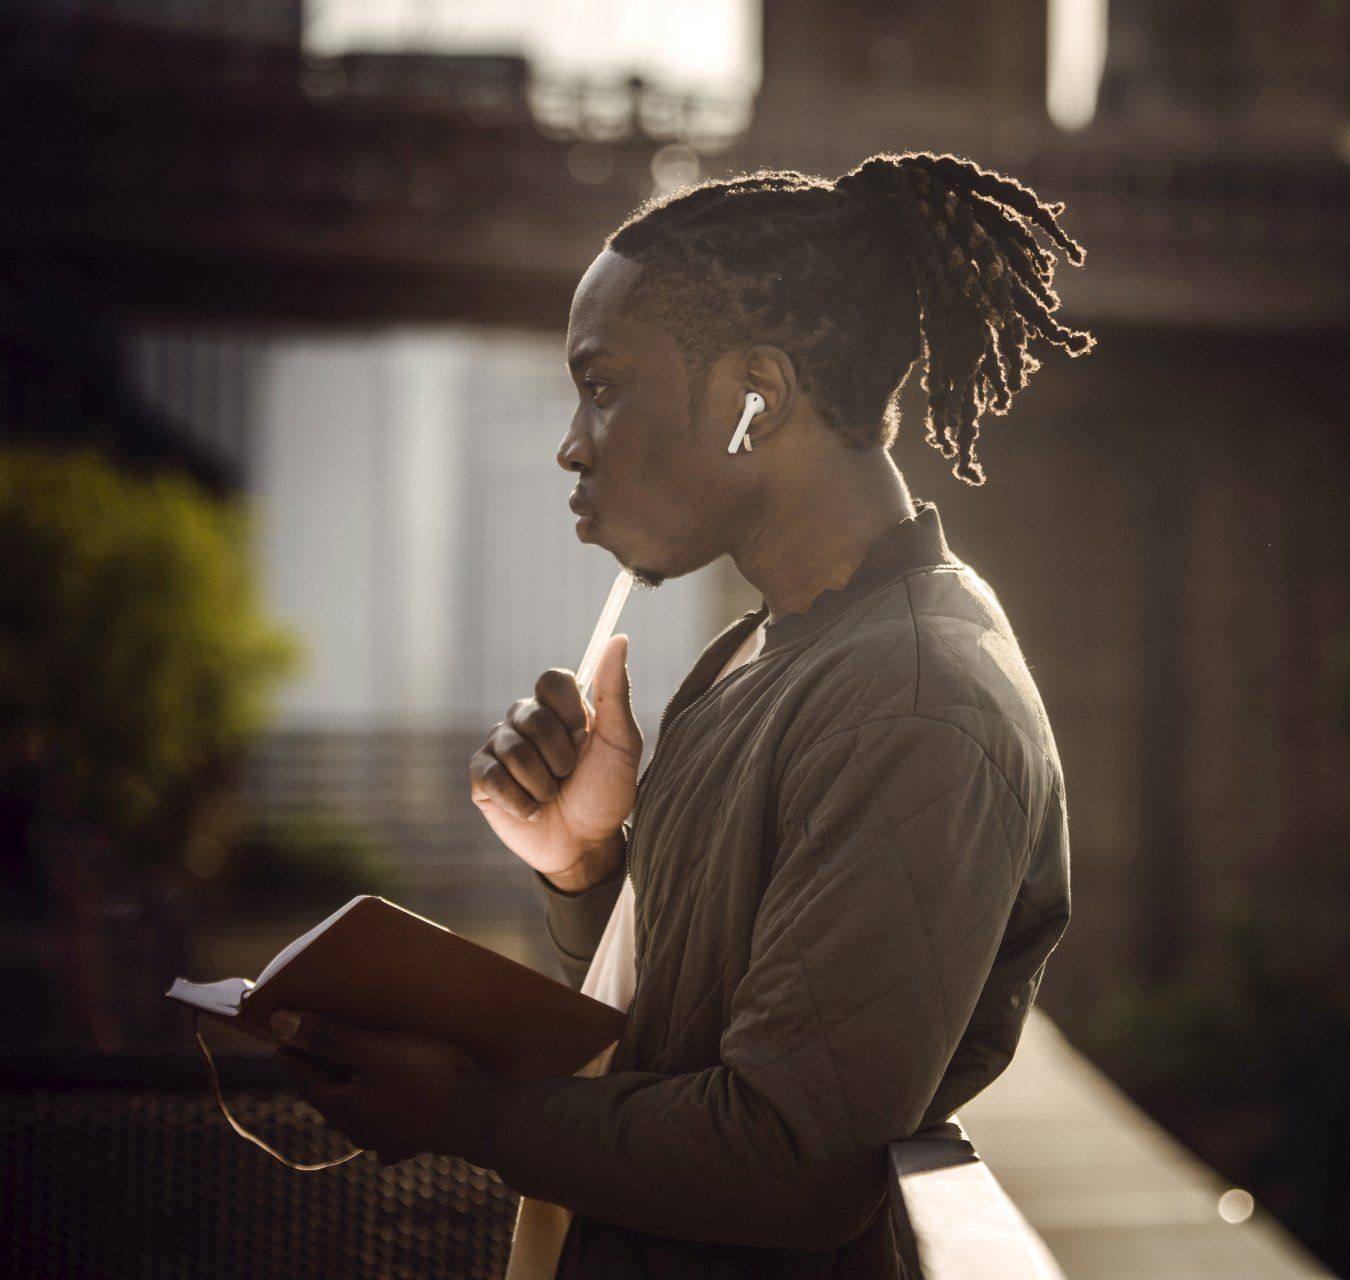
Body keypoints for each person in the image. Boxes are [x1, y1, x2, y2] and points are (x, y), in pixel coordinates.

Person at [268, 149, 1092, 1278]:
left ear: (756, 397)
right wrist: (586, 867)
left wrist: (462, 1113)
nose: (572, 441)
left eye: (602, 385)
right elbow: (672, 1038)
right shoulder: (753, 654)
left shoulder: (913, 701)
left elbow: (786, 1159)